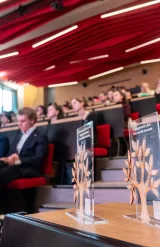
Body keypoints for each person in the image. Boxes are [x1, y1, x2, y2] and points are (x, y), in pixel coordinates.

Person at [0, 107, 48, 186]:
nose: (19, 124)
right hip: (14, 167)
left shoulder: (40, 136)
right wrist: (10, 158)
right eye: (18, 121)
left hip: (28, 168)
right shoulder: (19, 135)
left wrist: (18, 160)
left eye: (23, 121)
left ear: (32, 120)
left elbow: (38, 158)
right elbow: (10, 153)